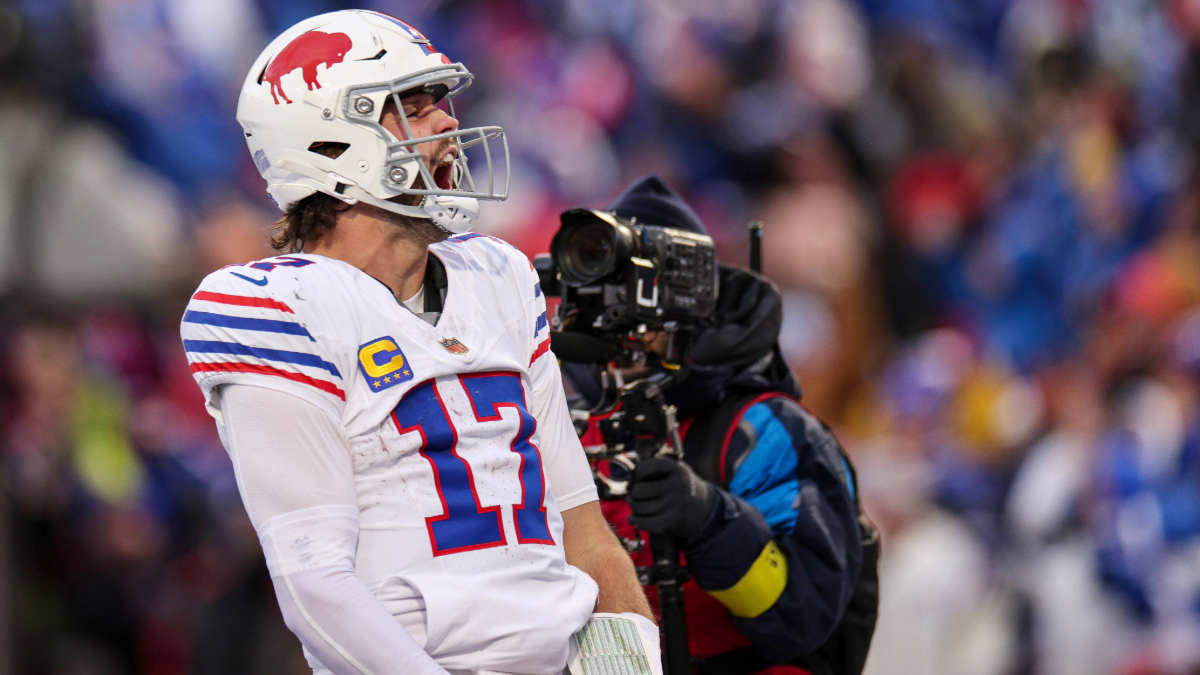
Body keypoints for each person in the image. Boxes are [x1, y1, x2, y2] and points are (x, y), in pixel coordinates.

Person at [180, 11, 655, 675]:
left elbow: (581, 528)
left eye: (441, 101)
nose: (447, 123)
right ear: (328, 141)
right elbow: (314, 587)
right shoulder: (270, 308)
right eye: (413, 105)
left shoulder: (498, 274)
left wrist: (630, 666)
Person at [564, 176, 876, 675]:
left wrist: (709, 520)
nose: (619, 322)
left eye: (637, 298)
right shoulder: (564, 426)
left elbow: (805, 614)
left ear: (688, 304)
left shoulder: (763, 429)